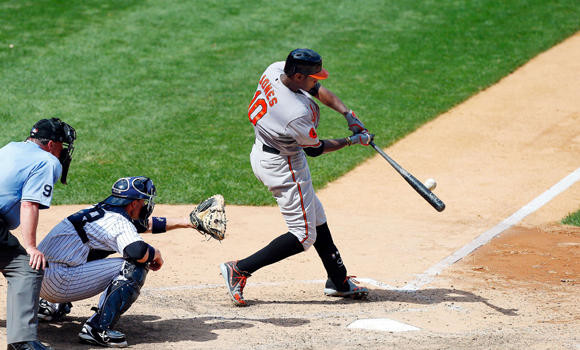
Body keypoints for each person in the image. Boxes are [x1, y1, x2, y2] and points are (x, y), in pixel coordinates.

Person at [220, 48, 373, 306]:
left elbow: (315, 90)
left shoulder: (276, 70)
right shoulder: (294, 112)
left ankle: (338, 279)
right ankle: (240, 268)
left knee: (315, 214)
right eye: (314, 77)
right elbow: (315, 149)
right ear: (299, 76)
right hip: (284, 164)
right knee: (303, 235)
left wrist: (347, 114)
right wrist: (353, 140)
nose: (318, 81)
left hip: (264, 151)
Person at [36, 176, 193, 348]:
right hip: (59, 283)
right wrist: (155, 253)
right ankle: (97, 329)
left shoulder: (99, 212)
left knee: (99, 248)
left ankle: (50, 306)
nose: (146, 205)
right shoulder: (118, 222)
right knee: (135, 264)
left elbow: (141, 225)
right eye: (143, 202)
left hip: (38, 280)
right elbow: (138, 251)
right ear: (133, 204)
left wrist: (186, 222)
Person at [0, 118, 76, 350]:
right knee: (26, 267)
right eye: (62, 146)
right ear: (52, 144)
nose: (63, 152)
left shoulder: (9, 148)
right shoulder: (46, 161)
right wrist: (31, 247)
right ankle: (22, 341)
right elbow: (29, 204)